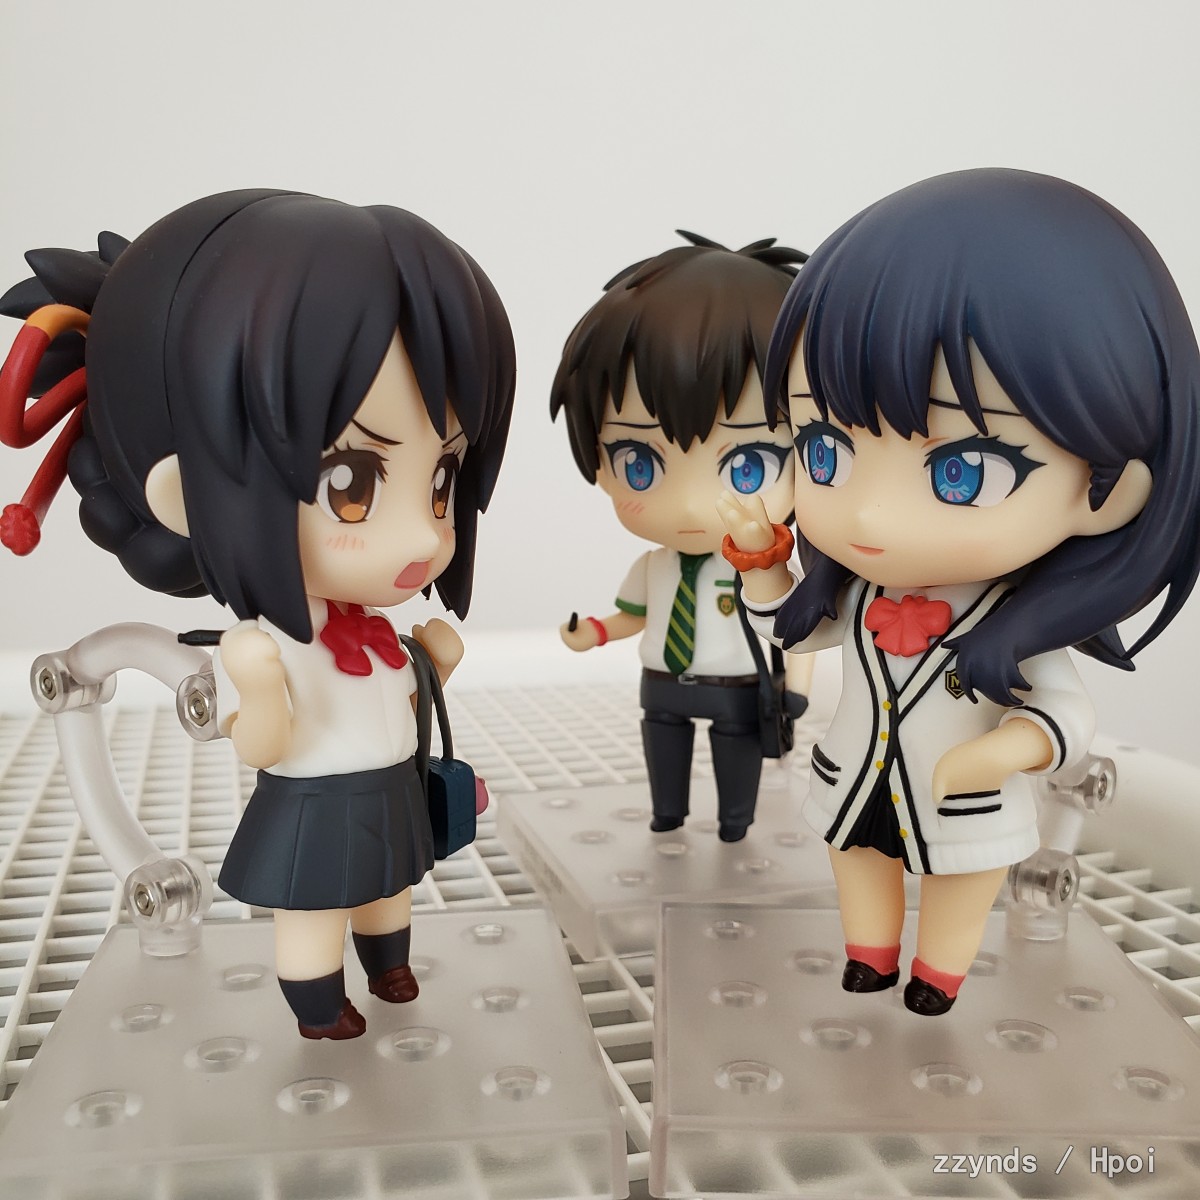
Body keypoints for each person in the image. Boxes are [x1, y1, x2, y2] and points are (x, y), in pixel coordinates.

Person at [0, 189, 515, 1039]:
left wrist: (435, 666)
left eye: (442, 481)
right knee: (314, 907)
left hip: (388, 789)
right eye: (352, 483)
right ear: (187, 490)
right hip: (313, 806)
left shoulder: (373, 630)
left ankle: (389, 965)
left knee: (389, 888)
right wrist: (260, 688)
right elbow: (262, 746)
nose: (426, 533)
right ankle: (318, 1003)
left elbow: (400, 698)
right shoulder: (263, 645)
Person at [719, 169, 1200, 1014]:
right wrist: (763, 565)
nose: (869, 514)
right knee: (856, 858)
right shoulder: (858, 594)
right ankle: (869, 956)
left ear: (1110, 489)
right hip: (856, 777)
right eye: (826, 450)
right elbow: (789, 630)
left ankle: (937, 974)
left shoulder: (1012, 625)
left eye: (962, 471)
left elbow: (1066, 713)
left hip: (963, 798)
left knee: (961, 877)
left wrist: (1009, 750)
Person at [553, 232, 808, 841]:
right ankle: (667, 812)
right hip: (662, 685)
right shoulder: (654, 565)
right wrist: (592, 633)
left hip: (735, 687)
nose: (692, 505)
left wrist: (796, 691)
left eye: (747, 466)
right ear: (599, 461)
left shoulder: (762, 569)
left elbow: (797, 631)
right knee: (662, 749)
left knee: (735, 755)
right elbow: (632, 615)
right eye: (639, 462)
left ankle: (735, 822)